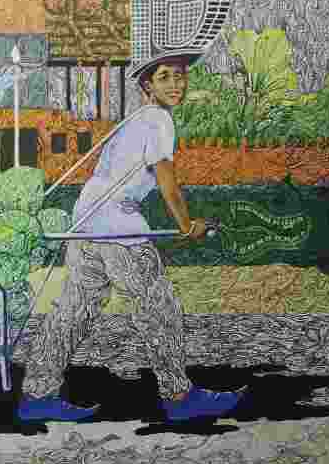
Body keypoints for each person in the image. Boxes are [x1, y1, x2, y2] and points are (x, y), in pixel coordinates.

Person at [17, 54, 247, 423]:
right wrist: (187, 225)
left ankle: (37, 395)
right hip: (117, 224)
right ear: (147, 86)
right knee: (158, 306)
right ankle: (180, 397)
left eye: (180, 77)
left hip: (86, 219)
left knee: (73, 310)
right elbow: (165, 176)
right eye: (164, 77)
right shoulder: (157, 119)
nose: (175, 84)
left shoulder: (135, 119)